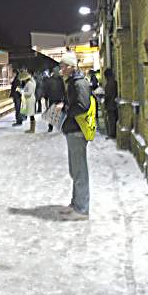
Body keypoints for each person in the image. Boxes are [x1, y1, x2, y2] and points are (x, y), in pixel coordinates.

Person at [59, 52, 91, 221]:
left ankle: (82, 209)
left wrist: (65, 110)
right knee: (75, 169)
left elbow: (82, 106)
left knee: (79, 170)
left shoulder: (79, 83)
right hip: (73, 130)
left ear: (72, 67)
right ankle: (76, 203)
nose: (61, 69)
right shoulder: (73, 82)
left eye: (63, 66)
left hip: (77, 131)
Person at [44, 66, 66, 132]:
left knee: (54, 113)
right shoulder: (60, 79)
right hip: (56, 98)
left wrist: (46, 96)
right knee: (56, 113)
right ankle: (53, 126)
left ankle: (52, 127)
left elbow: (63, 89)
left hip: (56, 98)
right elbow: (63, 89)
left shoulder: (58, 79)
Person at [104, 68, 118, 139]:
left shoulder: (109, 84)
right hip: (114, 104)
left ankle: (112, 134)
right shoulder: (115, 82)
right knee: (114, 119)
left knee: (111, 120)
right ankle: (114, 133)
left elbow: (108, 95)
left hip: (110, 105)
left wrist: (105, 102)